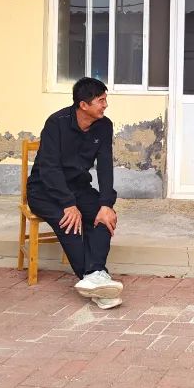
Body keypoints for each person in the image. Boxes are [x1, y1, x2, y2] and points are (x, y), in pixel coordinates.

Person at [27, 77, 123, 308]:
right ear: (83, 105)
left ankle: (94, 278)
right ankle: (97, 278)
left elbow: (105, 165)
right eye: (101, 100)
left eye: (105, 99)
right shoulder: (56, 123)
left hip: (79, 188)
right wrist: (68, 203)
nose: (105, 105)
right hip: (45, 191)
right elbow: (49, 169)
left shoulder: (104, 125)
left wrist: (106, 203)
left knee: (104, 218)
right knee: (69, 223)